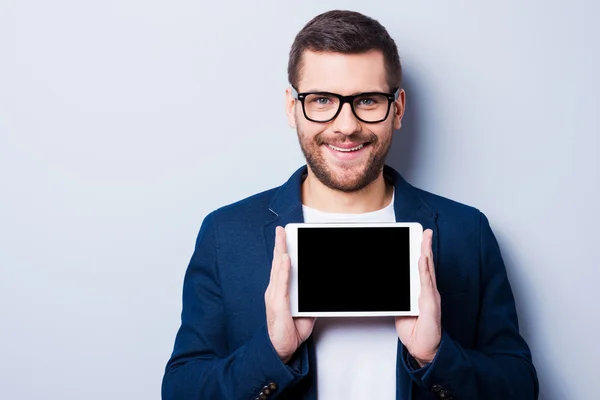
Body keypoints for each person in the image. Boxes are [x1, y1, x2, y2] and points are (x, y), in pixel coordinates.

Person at [161, 9, 539, 400]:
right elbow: (180, 390)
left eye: (368, 100)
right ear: (293, 108)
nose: (346, 125)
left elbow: (520, 386)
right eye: (322, 100)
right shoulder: (226, 234)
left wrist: (435, 357)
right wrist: (272, 352)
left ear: (398, 108)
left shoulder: (466, 232)